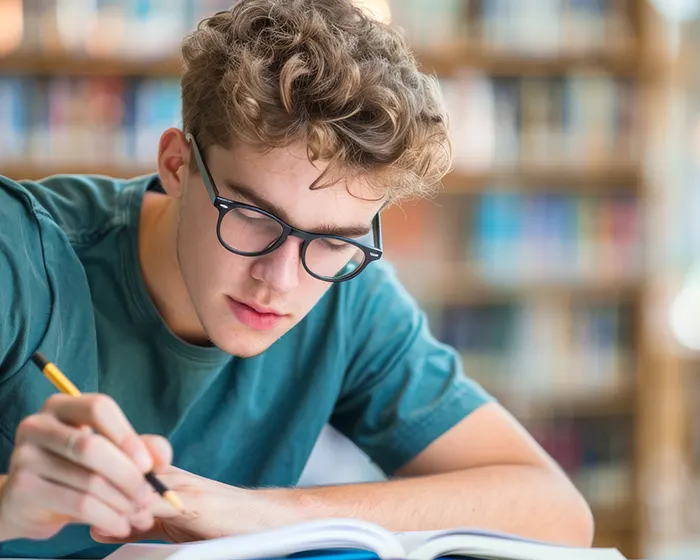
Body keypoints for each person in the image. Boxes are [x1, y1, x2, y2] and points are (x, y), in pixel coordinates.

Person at [0, 0, 594, 557]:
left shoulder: (349, 295)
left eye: (334, 238)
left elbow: (556, 510)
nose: (280, 279)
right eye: (255, 218)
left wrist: (261, 514)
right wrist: (8, 509)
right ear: (177, 164)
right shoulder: (18, 257)